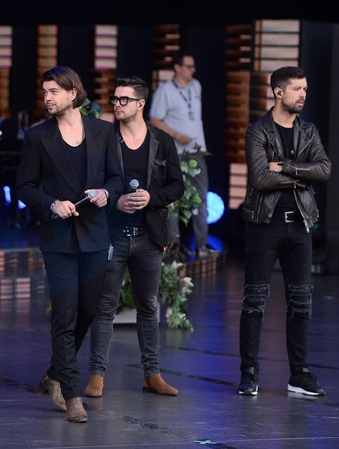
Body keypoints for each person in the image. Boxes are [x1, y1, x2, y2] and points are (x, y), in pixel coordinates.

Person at [15, 66, 123, 423]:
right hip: (59, 239)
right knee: (64, 315)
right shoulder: (37, 136)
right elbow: (24, 187)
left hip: (95, 235)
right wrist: (51, 204)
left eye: (53, 91)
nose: (47, 98)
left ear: (73, 93)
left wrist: (106, 193)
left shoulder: (103, 130)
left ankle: (54, 373)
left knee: (88, 311)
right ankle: (71, 393)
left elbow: (117, 178)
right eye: (44, 92)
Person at [85, 76, 185, 398]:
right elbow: (92, 183)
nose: (117, 104)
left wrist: (151, 197)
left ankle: (152, 374)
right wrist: (115, 201)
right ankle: (96, 375)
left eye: (124, 99)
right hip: (112, 234)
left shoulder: (162, 141)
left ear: (141, 103)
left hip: (148, 236)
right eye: (115, 99)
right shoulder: (104, 139)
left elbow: (177, 186)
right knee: (105, 307)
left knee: (149, 307)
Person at [238, 66, 331, 397]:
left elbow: (325, 169)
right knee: (255, 301)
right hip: (265, 224)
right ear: (278, 92)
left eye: (305, 88)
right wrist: (302, 176)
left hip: (300, 224)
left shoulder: (308, 131)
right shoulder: (258, 131)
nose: (303, 94)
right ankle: (249, 372)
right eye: (296, 89)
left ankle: (299, 374)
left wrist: (287, 167)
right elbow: (261, 178)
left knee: (301, 302)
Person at [149, 49, 218, 257]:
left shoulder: (197, 85)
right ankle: (173, 246)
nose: (193, 70)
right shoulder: (165, 91)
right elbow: (154, 120)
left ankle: (202, 244)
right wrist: (176, 135)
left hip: (197, 151)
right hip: (176, 153)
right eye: (188, 66)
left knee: (201, 197)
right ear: (177, 67)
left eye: (193, 66)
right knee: (173, 199)